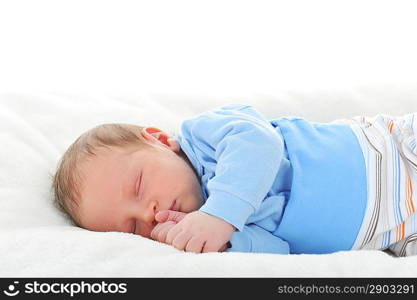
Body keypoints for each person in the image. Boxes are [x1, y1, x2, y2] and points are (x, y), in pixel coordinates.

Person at [52, 104, 417, 256]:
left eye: (138, 186)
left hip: (393, 154)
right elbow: (281, 253)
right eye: (133, 227)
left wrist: (221, 214)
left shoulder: (206, 138)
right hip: (393, 231)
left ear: (160, 140)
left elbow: (259, 142)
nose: (149, 212)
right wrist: (224, 244)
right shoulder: (214, 231)